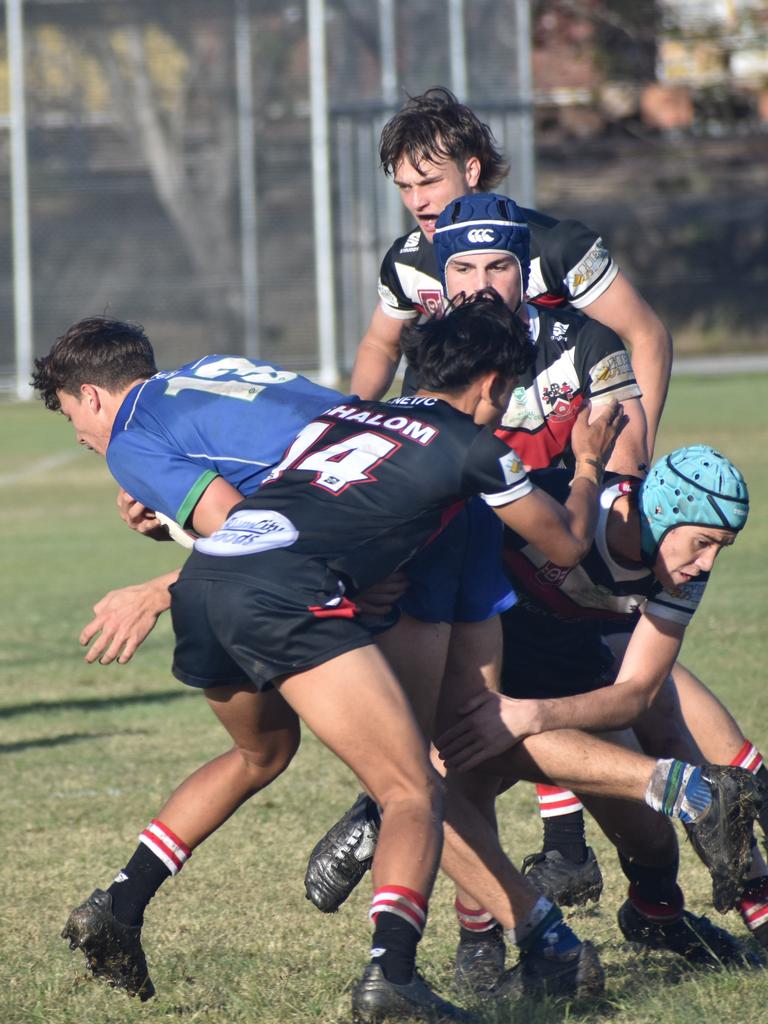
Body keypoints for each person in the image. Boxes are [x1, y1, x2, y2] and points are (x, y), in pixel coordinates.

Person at [47, 295, 624, 1016]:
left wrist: (171, 578)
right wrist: (591, 465)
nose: (84, 439)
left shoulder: (352, 416)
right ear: (494, 388)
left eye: (74, 423)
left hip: (212, 586)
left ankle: (121, 903)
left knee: (273, 754)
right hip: (310, 582)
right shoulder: (465, 443)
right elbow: (568, 546)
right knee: (417, 783)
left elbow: (267, 507)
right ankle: (402, 972)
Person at [436, 444, 768, 955]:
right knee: (461, 778)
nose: (707, 563)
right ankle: (475, 946)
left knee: (651, 838)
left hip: (566, 678)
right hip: (486, 668)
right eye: (703, 542)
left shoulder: (684, 575)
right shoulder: (555, 508)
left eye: (721, 548)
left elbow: (635, 693)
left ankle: (656, 917)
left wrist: (534, 715)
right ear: (661, 512)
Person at [351, 87, 672, 458]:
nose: (417, 202)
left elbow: (648, 336)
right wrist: (349, 417)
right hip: (456, 447)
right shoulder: (406, 260)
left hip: (553, 442)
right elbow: (380, 345)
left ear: (471, 169)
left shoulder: (556, 248)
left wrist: (635, 458)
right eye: (405, 187)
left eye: (429, 182)